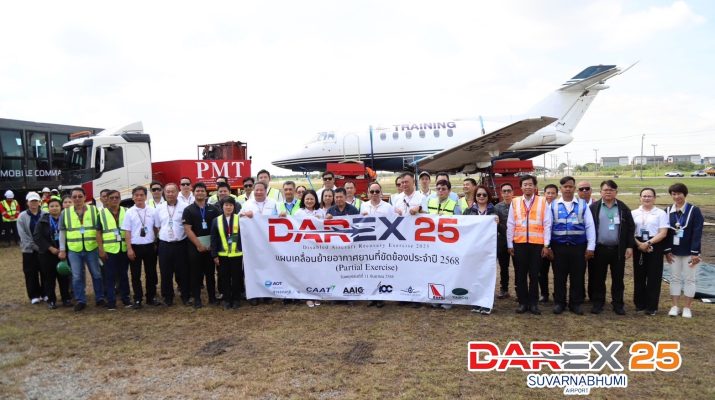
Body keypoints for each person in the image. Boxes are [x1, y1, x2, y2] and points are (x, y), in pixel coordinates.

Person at [550, 176, 595, 316]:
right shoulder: (553, 205)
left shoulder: (582, 205)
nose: (568, 189)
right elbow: (548, 226)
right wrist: (547, 246)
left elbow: (590, 226)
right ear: (561, 189)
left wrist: (591, 247)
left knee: (578, 276)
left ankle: (575, 304)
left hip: (578, 247)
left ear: (574, 188)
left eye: (570, 186)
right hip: (559, 247)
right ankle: (559, 303)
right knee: (559, 277)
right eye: (565, 187)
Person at [507, 175, 552, 315]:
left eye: (530, 184)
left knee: (534, 275)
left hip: (537, 245)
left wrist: (546, 245)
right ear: (521, 187)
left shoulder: (543, 201)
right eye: (525, 184)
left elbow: (547, 224)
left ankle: (533, 304)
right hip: (519, 244)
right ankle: (522, 303)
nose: (528, 187)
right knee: (520, 274)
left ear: (535, 187)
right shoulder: (515, 202)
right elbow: (511, 223)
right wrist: (509, 244)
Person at [589, 180, 634, 315]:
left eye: (611, 190)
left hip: (618, 250)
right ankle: (598, 303)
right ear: (600, 192)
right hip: (599, 249)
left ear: (616, 192)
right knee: (598, 278)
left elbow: (631, 228)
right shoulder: (594, 208)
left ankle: (618, 304)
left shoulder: (623, 208)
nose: (608, 192)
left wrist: (629, 246)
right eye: (605, 190)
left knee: (618, 279)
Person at [58, 187, 105, 312]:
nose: (77, 199)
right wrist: (62, 249)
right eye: (74, 197)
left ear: (85, 197)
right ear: (71, 198)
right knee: (77, 276)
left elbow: (99, 230)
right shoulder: (65, 213)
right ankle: (80, 300)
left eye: (80, 196)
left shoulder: (94, 210)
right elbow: (62, 232)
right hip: (74, 250)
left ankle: (100, 298)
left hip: (91, 247)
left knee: (96, 274)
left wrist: (101, 247)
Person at [664, 183, 704, 319]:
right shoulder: (667, 211)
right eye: (674, 194)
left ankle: (687, 307)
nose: (676, 197)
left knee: (689, 279)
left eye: (679, 194)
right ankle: (675, 306)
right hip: (673, 252)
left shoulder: (694, 210)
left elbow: (697, 232)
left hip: (689, 252)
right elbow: (665, 232)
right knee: (674, 278)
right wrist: (667, 251)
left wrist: (695, 253)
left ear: (684, 194)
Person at [183, 182, 221, 308]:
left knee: (210, 273)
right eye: (197, 191)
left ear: (206, 193)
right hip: (195, 247)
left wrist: (213, 245)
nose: (200, 193)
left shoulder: (213, 209)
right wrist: (198, 245)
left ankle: (212, 298)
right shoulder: (188, 210)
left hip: (210, 247)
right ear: (193, 193)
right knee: (195, 274)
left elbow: (218, 227)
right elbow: (187, 229)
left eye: (202, 191)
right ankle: (197, 299)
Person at [632, 188, 669, 316]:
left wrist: (648, 243)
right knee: (639, 276)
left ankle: (651, 306)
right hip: (638, 245)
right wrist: (639, 244)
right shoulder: (634, 213)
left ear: (654, 198)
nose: (647, 198)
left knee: (654, 277)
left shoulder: (660, 213)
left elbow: (663, 233)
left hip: (655, 244)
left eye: (649, 196)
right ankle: (639, 304)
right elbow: (630, 232)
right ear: (640, 198)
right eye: (644, 196)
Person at [240, 181, 278, 306]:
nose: (259, 192)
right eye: (256, 190)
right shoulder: (247, 204)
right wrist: (245, 214)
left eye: (261, 190)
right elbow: (239, 218)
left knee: (268, 267)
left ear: (266, 190)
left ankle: (267, 294)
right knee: (252, 268)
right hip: (252, 243)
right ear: (253, 190)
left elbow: (280, 218)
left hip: (269, 243)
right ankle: (254, 295)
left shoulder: (274, 203)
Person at [122, 186, 160, 309]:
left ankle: (151, 297)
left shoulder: (152, 211)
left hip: (149, 246)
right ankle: (138, 299)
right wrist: (129, 249)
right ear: (133, 197)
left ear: (145, 197)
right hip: (135, 247)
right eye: (136, 195)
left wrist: (155, 242)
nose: (139, 197)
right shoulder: (129, 212)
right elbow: (127, 231)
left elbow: (155, 228)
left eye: (141, 195)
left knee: (151, 273)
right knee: (135, 274)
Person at [154, 183, 189, 306]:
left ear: (177, 192)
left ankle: (185, 295)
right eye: (167, 192)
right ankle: (168, 297)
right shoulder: (159, 208)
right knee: (165, 272)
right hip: (165, 244)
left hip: (181, 243)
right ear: (164, 193)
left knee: (183, 271)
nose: (170, 194)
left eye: (172, 191)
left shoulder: (185, 207)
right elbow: (157, 226)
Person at [33, 197, 72, 309]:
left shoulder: (66, 219)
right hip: (47, 254)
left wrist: (63, 249)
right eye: (52, 206)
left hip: (63, 252)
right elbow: (37, 237)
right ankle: (51, 300)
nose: (54, 208)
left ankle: (66, 298)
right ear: (48, 208)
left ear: (61, 207)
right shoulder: (42, 221)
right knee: (49, 278)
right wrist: (51, 248)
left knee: (64, 277)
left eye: (57, 206)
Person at [360, 182, 394, 308]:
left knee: (381, 270)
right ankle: (371, 296)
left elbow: (394, 223)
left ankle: (381, 296)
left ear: (381, 192)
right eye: (372, 191)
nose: (374, 194)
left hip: (382, 243)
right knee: (369, 270)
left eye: (377, 191)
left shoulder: (388, 207)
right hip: (368, 243)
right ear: (368, 193)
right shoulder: (363, 205)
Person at [463, 185, 495, 314]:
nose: (481, 197)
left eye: (484, 195)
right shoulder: (468, 211)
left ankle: (486, 302)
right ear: (475, 196)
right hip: (473, 248)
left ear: (488, 196)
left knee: (487, 275)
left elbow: (503, 229)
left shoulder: (494, 210)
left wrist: (498, 223)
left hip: (489, 250)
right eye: (478, 195)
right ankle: (476, 301)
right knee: (474, 275)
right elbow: (461, 226)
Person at [96, 190, 131, 310]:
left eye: (116, 197)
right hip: (109, 250)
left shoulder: (126, 211)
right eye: (111, 198)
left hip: (123, 249)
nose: (114, 200)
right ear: (107, 199)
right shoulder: (101, 214)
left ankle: (126, 299)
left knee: (123, 275)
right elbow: (98, 233)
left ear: (120, 199)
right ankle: (111, 302)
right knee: (109, 277)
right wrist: (101, 249)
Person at [211, 197, 243, 309]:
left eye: (231, 205)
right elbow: (213, 239)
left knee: (236, 278)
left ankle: (236, 299)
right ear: (222, 206)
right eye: (226, 205)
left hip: (237, 255)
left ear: (234, 207)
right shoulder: (216, 220)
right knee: (224, 278)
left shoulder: (240, 219)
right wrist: (214, 255)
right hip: (222, 255)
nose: (228, 207)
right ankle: (227, 300)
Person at [18, 192, 45, 304]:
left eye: (35, 201)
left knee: (45, 272)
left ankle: (45, 293)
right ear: (27, 203)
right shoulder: (22, 216)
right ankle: (34, 295)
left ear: (39, 202)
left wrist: (43, 246)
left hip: (43, 249)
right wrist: (35, 246)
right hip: (29, 250)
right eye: (31, 201)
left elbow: (47, 232)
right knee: (30, 272)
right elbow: (23, 235)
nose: (34, 203)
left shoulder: (45, 214)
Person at [539, 184, 558, 303]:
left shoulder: (560, 207)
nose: (550, 195)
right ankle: (544, 294)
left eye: (553, 193)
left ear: (557, 194)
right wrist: (545, 245)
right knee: (542, 271)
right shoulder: (540, 207)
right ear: (544, 194)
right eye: (548, 193)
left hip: (556, 244)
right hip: (542, 244)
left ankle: (557, 294)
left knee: (558, 272)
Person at [495, 183, 514, 300]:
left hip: (516, 240)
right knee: (503, 266)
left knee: (519, 266)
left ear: (512, 192)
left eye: (508, 191)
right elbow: (496, 225)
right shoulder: (497, 207)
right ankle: (504, 289)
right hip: (502, 240)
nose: (506, 193)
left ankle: (519, 289)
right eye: (504, 191)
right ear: (501, 193)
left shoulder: (517, 205)